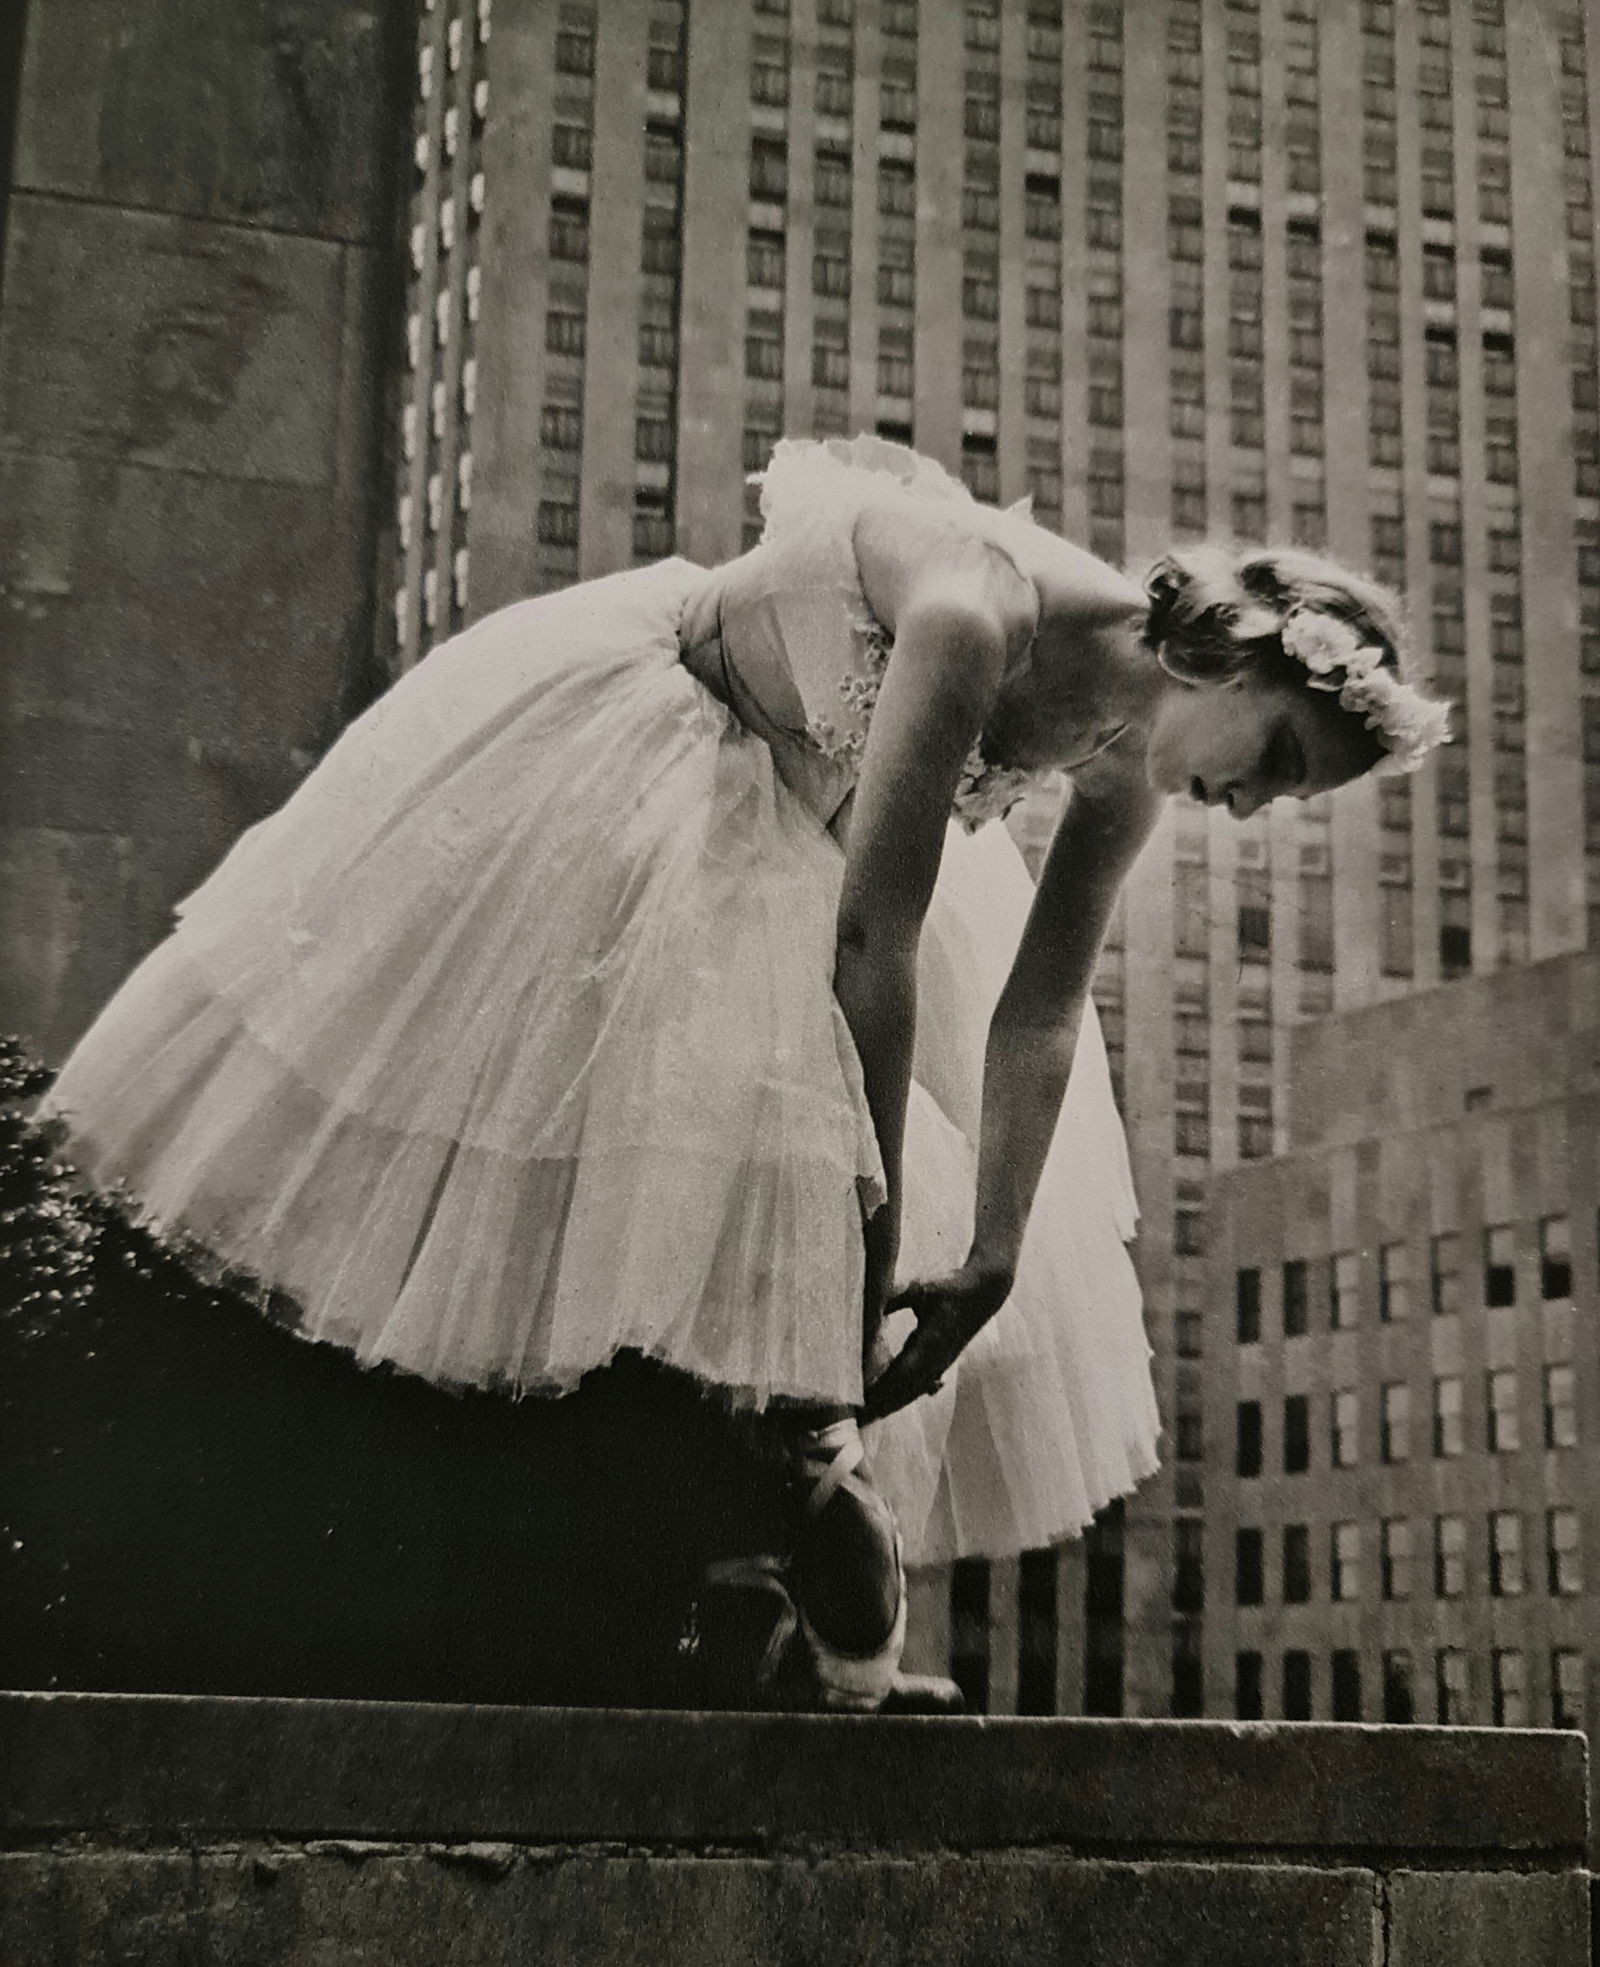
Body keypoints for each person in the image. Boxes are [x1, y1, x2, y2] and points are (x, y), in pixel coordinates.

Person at [35, 434, 1449, 1709]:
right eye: (1275, 758)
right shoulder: (976, 614)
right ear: (1232, 655)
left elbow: (1040, 1015)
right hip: (663, 763)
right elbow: (867, 944)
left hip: (816, 841)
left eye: (1287, 797)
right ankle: (644, 1549)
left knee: (842, 1187)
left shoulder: (1130, 759)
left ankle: (759, 1572)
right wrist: (875, 1225)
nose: (1255, 808)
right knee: (745, 1162)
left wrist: (998, 1251)